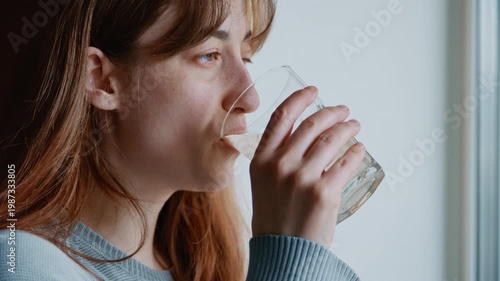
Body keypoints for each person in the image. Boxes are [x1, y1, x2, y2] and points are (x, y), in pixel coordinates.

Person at [0, 0, 366, 280]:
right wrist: (290, 255)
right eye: (208, 55)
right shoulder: (21, 264)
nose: (250, 99)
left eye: (246, 58)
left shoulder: (202, 267)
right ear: (102, 80)